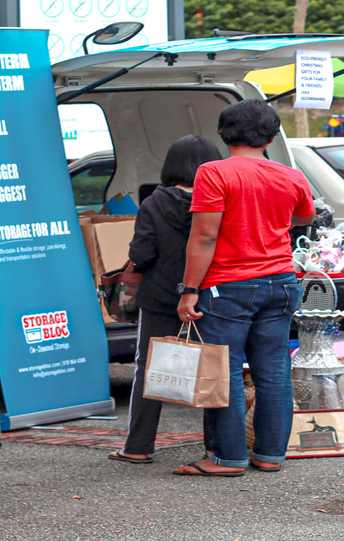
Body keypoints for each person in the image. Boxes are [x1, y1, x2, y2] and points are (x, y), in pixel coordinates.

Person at [174, 99, 316, 477]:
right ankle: (270, 454)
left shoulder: (213, 172)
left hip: (229, 286)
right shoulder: (290, 175)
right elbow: (306, 215)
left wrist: (189, 289)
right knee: (274, 371)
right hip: (281, 282)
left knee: (225, 372)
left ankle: (227, 458)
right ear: (271, 137)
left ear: (222, 133)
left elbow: (204, 236)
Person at [110, 136, 223, 465]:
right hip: (210, 294)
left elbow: (142, 253)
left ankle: (138, 446)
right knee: (215, 367)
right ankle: (216, 448)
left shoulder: (155, 202)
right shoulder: (220, 199)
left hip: (160, 296)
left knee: (149, 369)